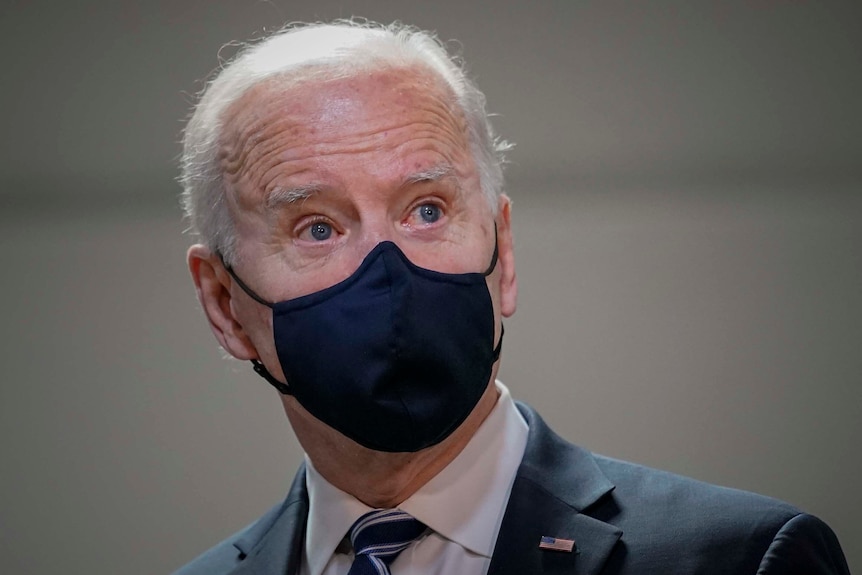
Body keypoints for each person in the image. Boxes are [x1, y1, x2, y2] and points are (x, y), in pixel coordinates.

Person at [175, 20, 849, 575]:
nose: (388, 269)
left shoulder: (746, 559)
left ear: (504, 252)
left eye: (427, 210)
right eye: (317, 227)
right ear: (224, 305)